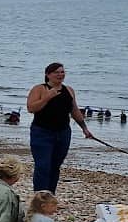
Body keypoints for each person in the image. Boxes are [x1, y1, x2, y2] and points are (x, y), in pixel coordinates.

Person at [26, 62, 95, 194]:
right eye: (56, 72)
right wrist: (47, 98)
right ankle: (40, 196)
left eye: (62, 72)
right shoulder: (39, 89)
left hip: (63, 133)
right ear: (48, 75)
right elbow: (31, 108)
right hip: (42, 132)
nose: (60, 75)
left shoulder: (68, 90)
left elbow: (74, 111)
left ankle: (50, 195)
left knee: (55, 166)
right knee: (43, 166)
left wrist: (84, 128)